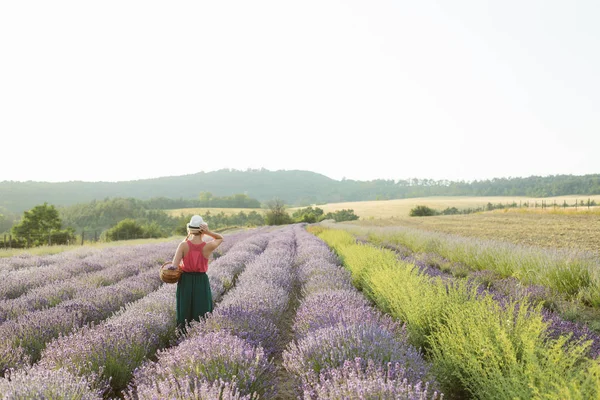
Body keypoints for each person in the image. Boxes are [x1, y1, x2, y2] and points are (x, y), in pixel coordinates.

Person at [171, 215, 223, 333]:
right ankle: (201, 334)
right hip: (201, 281)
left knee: (185, 309)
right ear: (202, 230)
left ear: (190, 229)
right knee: (202, 309)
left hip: (185, 280)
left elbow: (174, 266)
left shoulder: (183, 245)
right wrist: (208, 232)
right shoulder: (207, 246)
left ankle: (183, 336)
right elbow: (220, 238)